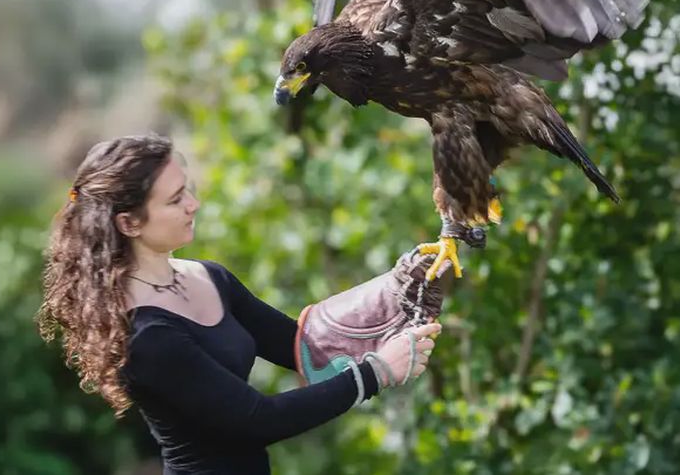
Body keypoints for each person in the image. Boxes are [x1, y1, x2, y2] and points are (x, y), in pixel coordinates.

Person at [37, 134, 442, 474]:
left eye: (188, 191)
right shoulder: (146, 337)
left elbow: (302, 346)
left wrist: (394, 293)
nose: (193, 204)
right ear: (129, 223)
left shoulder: (209, 277)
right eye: (176, 199)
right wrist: (378, 372)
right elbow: (258, 419)